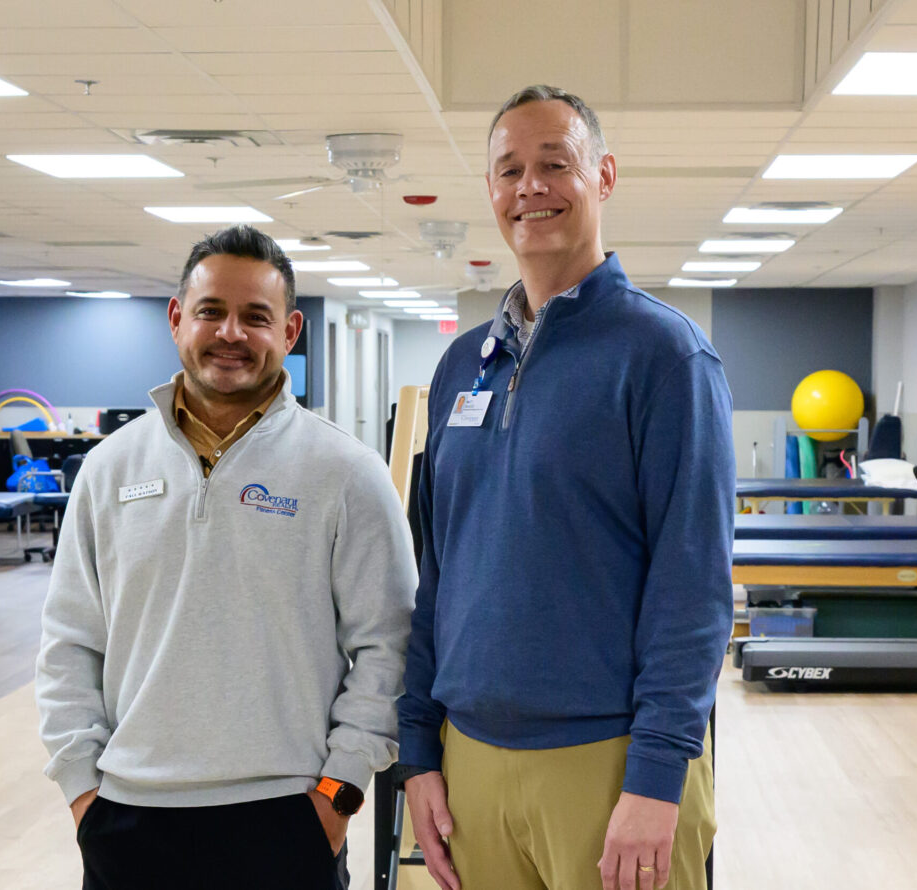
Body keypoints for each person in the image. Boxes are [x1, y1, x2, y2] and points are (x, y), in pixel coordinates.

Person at [397, 85, 735, 890]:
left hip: (610, 762)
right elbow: (434, 573)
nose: (530, 187)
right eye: (509, 169)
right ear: (490, 191)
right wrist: (418, 751)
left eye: (555, 163)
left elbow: (693, 585)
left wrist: (657, 776)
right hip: (470, 761)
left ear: (604, 176)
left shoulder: (664, 356)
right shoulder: (460, 367)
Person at [36, 224, 417, 890]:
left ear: (291, 332)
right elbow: (69, 642)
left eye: (256, 317)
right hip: (128, 817)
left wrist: (340, 794)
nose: (231, 333)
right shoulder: (107, 469)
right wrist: (81, 792)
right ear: (178, 319)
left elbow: (391, 646)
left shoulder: (347, 473)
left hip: (288, 818)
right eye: (212, 311)